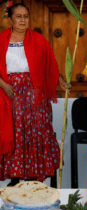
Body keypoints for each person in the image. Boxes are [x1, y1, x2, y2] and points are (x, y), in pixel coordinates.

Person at [0, 4, 70, 185]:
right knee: (16, 132)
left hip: (35, 94)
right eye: (18, 16)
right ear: (10, 19)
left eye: (25, 16)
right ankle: (15, 178)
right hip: (11, 93)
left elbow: (49, 65)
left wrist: (61, 81)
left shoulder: (38, 39)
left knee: (35, 132)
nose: (23, 20)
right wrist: (4, 85)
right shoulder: (1, 40)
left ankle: (33, 177)